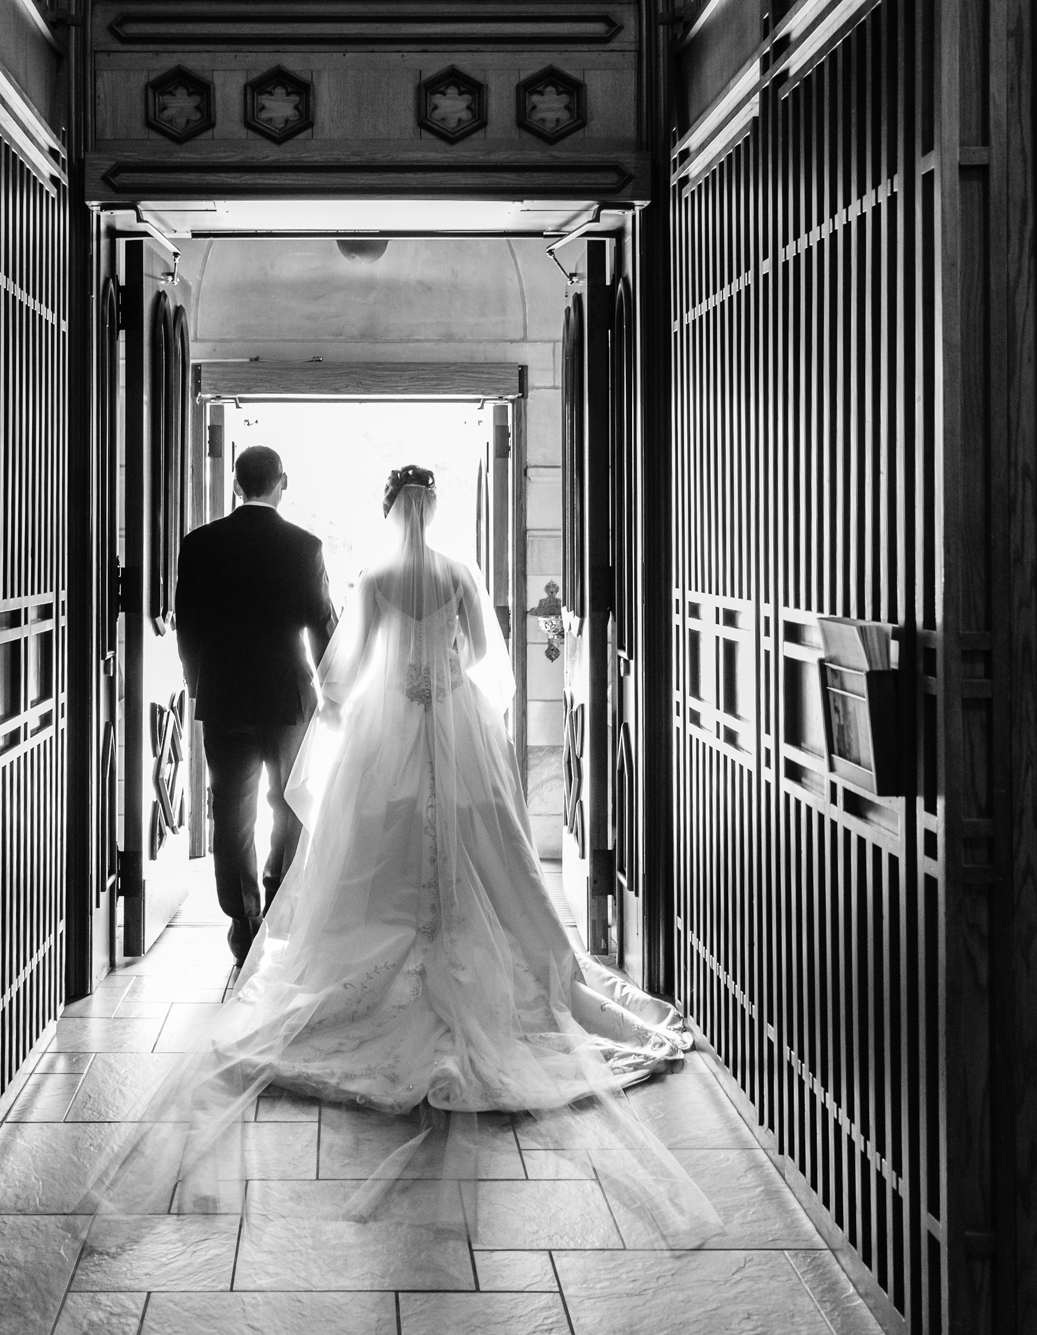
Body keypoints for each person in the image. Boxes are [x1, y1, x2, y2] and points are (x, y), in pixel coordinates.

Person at [79, 466, 720, 1247]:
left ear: (389, 512)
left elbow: (343, 666)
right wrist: (441, 679)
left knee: (338, 839)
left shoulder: (375, 575)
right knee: (482, 845)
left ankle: (261, 929)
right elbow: (487, 653)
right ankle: (461, 934)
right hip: (454, 720)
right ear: (436, 511)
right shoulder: (458, 573)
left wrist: (355, 699)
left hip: (375, 722)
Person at [174, 445, 337, 966]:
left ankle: (243, 923)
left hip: (223, 698)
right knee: (288, 804)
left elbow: (188, 625)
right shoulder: (303, 546)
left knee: (231, 813)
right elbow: (321, 625)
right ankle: (274, 904)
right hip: (288, 699)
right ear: (281, 482)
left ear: (237, 485)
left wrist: (199, 683)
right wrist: (331, 686)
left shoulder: (199, 544)